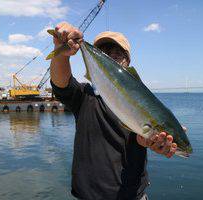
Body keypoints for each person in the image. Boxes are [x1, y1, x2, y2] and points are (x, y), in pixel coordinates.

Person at [50, 22, 178, 200]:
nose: (110, 58)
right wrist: (60, 54)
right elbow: (60, 83)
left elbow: (143, 138)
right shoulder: (85, 96)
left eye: (117, 55)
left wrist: (151, 142)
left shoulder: (143, 100)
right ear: (94, 61)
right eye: (104, 54)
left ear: (128, 63)